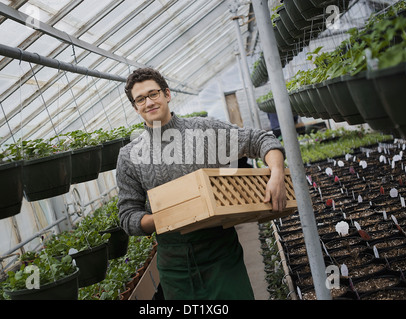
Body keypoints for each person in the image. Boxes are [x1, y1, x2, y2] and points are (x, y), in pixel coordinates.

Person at [116, 68, 287, 300]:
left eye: (153, 94)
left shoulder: (203, 131)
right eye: (140, 99)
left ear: (167, 94)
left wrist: (276, 173)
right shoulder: (129, 156)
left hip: (221, 255)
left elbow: (259, 139)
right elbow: (127, 215)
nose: (148, 102)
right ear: (135, 108)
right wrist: (165, 217)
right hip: (175, 267)